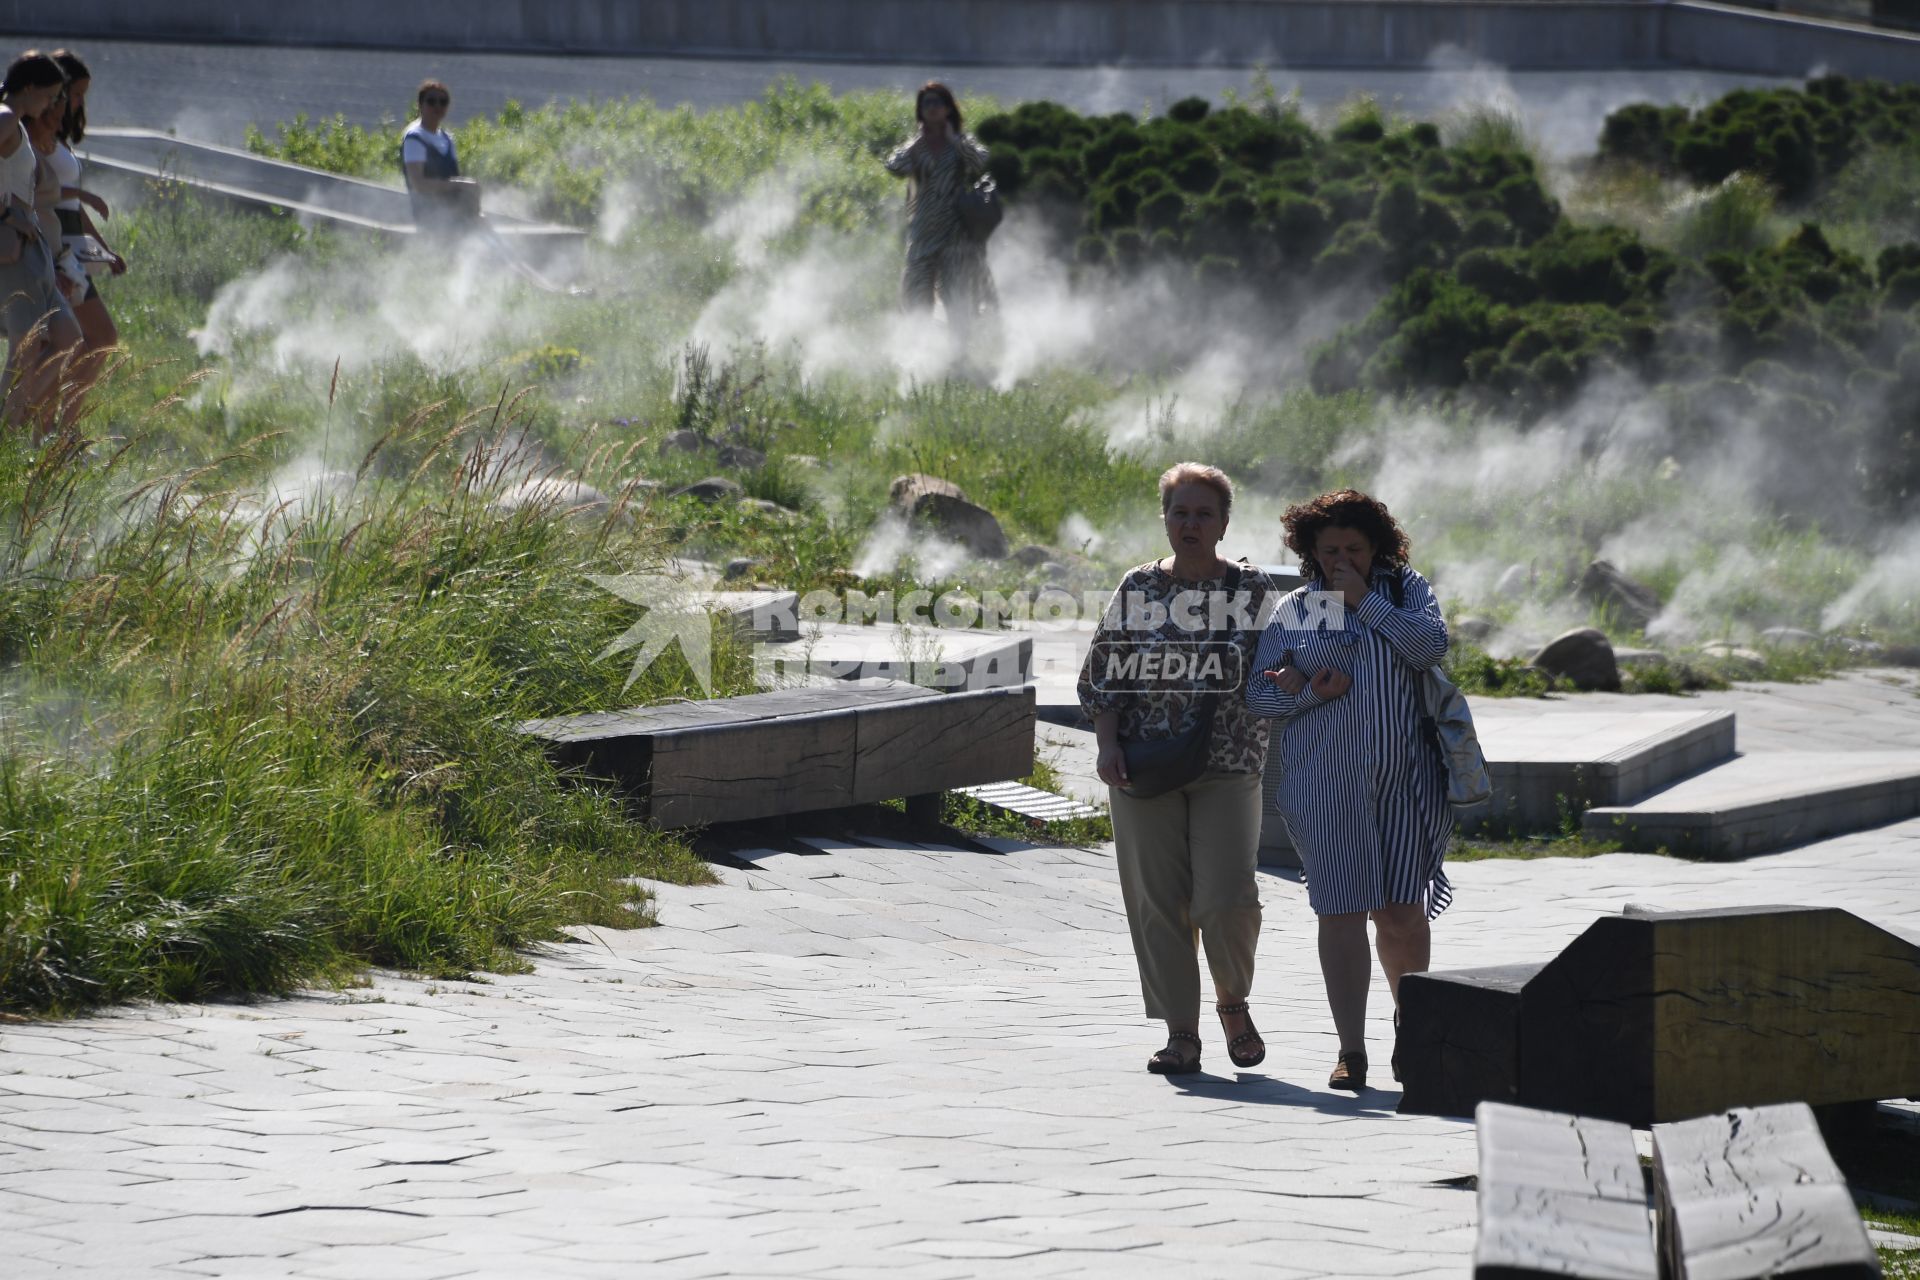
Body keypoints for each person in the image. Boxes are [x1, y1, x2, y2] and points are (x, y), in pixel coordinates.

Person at [1244, 489, 1453, 1092]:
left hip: (1404, 781)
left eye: (1354, 549)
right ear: (1309, 551)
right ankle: (1350, 1050)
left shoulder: (1406, 591)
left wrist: (1364, 602)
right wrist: (1308, 692)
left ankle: (1412, 1031)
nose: (1342, 560)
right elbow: (1258, 698)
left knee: (1402, 913)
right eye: (1329, 549)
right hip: (1325, 786)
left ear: (1376, 547)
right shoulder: (1296, 609)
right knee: (1340, 912)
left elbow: (1430, 648)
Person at [1078, 463, 1279, 1076]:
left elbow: (1285, 658)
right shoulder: (1138, 588)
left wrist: (1297, 680)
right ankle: (1181, 1034)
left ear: (1224, 523)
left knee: (1226, 899)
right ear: (1164, 519)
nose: (1190, 524)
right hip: (1143, 764)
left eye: (1203, 514)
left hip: (1229, 762)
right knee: (1157, 903)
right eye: (1179, 513)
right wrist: (1107, 745)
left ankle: (1232, 1002)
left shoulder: (1250, 590)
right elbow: (1104, 671)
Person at [0, 50, 81, 435]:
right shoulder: (5, 118)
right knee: (27, 346)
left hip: (33, 247)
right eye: (49, 95)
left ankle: (13, 419)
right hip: (15, 248)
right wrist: (3, 215)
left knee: (67, 336)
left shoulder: (13, 122)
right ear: (29, 88)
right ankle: (6, 433)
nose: (52, 105)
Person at [884, 82, 995, 356]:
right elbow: (894, 166)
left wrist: (955, 141)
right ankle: (918, 351)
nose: (931, 108)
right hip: (923, 232)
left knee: (956, 295)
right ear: (920, 111)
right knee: (915, 293)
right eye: (926, 104)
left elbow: (982, 161)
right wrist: (916, 143)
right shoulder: (916, 147)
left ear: (947, 109)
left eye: (937, 103)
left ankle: (958, 353)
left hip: (955, 232)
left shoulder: (960, 142)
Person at [49, 48, 123, 398]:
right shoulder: (38, 138)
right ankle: (56, 423)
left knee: (86, 338)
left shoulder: (57, 140)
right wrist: (88, 197)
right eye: (76, 94)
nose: (80, 103)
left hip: (70, 243)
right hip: (55, 244)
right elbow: (41, 190)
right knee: (96, 336)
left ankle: (58, 423)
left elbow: (72, 205)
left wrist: (105, 250)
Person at [400, 78, 479, 226]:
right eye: (431, 101)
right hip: (430, 216)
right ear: (420, 105)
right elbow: (419, 184)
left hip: (453, 213)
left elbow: (454, 178)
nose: (437, 106)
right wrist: (456, 185)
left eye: (443, 102)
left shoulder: (447, 138)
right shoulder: (415, 138)